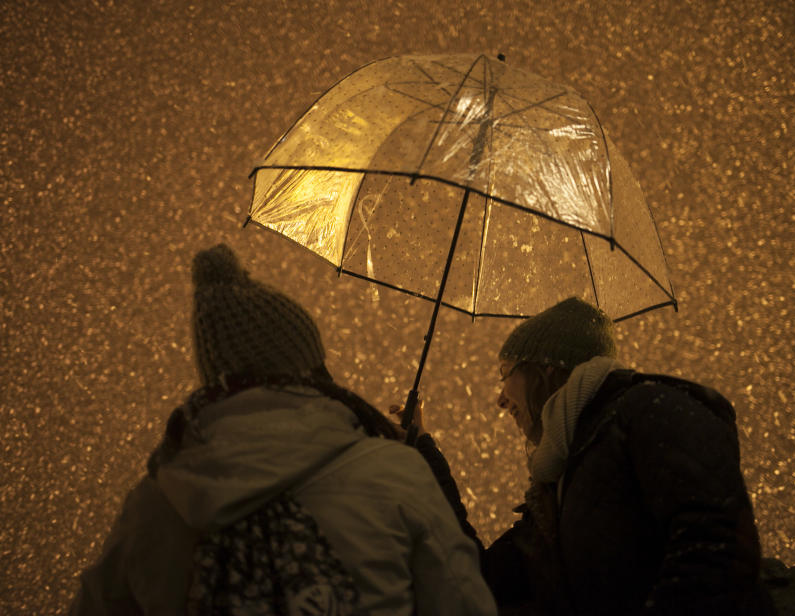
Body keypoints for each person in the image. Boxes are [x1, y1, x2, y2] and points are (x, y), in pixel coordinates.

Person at [70, 244, 497, 616]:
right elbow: (464, 603)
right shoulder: (396, 473)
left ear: (215, 379)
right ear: (309, 368)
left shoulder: (158, 500)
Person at [411, 297, 776, 615]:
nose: (500, 399)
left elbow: (716, 553)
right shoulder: (558, 486)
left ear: (546, 367)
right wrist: (422, 450)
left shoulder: (650, 411)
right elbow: (482, 577)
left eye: (504, 374)